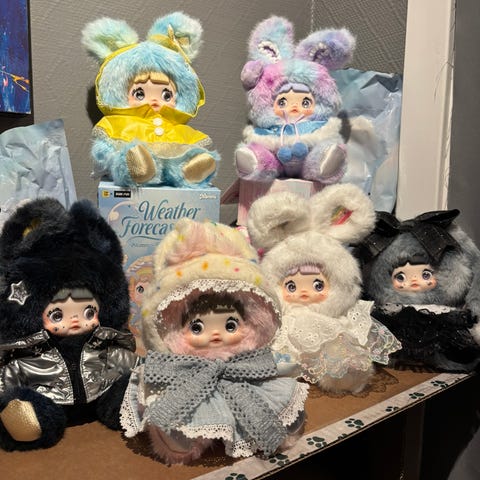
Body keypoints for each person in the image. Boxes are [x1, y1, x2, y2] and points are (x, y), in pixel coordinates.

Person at [120, 218, 309, 464]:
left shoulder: (250, 362)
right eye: (197, 327)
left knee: (274, 401)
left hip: (245, 380)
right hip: (189, 382)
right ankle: (186, 436)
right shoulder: (178, 365)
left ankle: (276, 428)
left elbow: (277, 367)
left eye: (231, 325)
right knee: (179, 411)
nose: (216, 335)